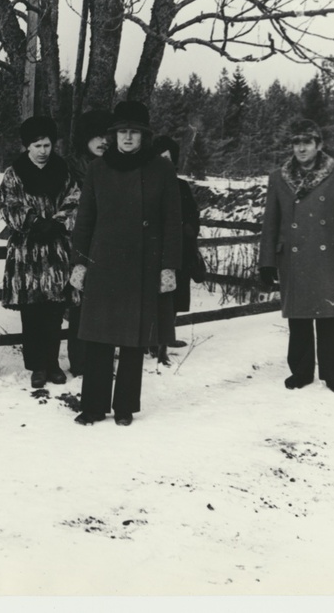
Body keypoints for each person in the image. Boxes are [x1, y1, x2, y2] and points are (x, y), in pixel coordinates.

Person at [69, 101, 181, 425]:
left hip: (144, 264)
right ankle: (92, 405)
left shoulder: (161, 169)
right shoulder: (98, 169)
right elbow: (85, 220)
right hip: (103, 263)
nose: (127, 138)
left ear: (143, 136)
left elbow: (173, 221)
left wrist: (169, 266)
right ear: (113, 135)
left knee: (133, 341)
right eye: (122, 132)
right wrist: (80, 262)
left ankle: (124, 408)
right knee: (99, 337)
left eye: (134, 132)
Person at [258, 118, 334, 394]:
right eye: (296, 142)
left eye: (307, 142)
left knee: (328, 316)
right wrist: (267, 262)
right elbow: (270, 223)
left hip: (330, 256)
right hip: (292, 258)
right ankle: (301, 372)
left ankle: (333, 374)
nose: (301, 148)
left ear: (319, 145)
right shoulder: (278, 177)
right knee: (298, 317)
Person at [0, 116, 80, 389]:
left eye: (47, 144)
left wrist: (56, 223)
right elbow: (9, 205)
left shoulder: (63, 171)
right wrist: (34, 222)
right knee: (32, 311)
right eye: (37, 145)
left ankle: (54, 363)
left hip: (56, 251)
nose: (44, 150)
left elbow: (74, 201)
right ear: (27, 147)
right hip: (27, 253)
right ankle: (37, 366)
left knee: (55, 309)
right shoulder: (14, 173)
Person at [65, 109, 113, 376]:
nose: (102, 141)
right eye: (96, 135)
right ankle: (80, 362)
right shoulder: (71, 168)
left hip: (109, 246)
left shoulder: (114, 165)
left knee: (106, 303)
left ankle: (102, 361)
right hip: (78, 245)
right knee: (79, 303)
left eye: (106, 135)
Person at [151, 134, 206, 365]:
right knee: (153, 297)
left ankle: (166, 340)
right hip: (154, 251)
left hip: (179, 252)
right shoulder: (146, 184)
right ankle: (150, 341)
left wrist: (188, 228)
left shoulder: (181, 185)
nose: (163, 162)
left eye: (167, 158)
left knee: (173, 297)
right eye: (159, 157)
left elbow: (193, 214)